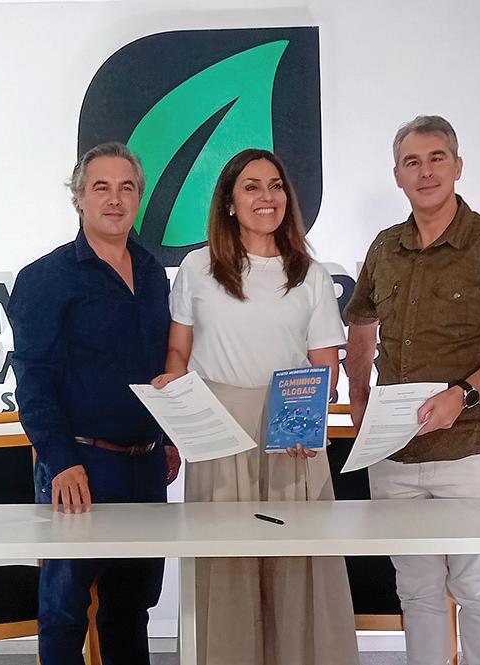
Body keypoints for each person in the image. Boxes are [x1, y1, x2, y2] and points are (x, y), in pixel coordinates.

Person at [345, 115, 480, 665]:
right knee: (416, 590)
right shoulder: (385, 248)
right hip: (395, 453)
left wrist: (465, 393)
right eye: (412, 162)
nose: (425, 171)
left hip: (470, 450)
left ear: (458, 167)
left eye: (437, 158)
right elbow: (361, 321)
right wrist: (358, 397)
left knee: (476, 587)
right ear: (397, 175)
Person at [152, 148, 359, 665]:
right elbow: (178, 351)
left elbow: (325, 363)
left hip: (291, 430)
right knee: (226, 564)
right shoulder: (197, 268)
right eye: (251, 186)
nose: (267, 197)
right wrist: (173, 391)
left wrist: (308, 424)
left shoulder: (311, 273)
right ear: (228, 202)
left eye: (275, 185)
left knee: (299, 564)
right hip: (219, 429)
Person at [8, 142, 180, 665]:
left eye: (126, 188)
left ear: (139, 198)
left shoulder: (152, 272)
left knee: (132, 608)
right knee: (64, 611)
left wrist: (169, 437)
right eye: (100, 188)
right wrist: (61, 462)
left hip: (145, 467)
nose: (114, 199)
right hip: (80, 466)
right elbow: (34, 381)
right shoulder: (45, 278)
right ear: (78, 198)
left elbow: (159, 365)